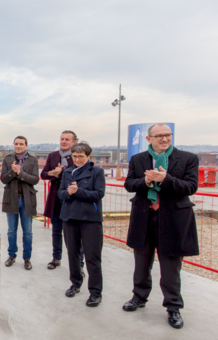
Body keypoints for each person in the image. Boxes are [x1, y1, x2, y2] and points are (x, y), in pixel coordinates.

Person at [122, 123, 199, 329]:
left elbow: (191, 187)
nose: (164, 139)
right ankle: (139, 297)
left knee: (171, 267)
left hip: (173, 220)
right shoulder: (138, 160)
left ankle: (173, 307)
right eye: (159, 136)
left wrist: (167, 179)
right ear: (149, 139)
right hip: (143, 218)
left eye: (168, 135)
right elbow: (129, 184)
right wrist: (145, 182)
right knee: (141, 263)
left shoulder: (188, 159)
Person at [57, 142, 105, 307]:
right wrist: (68, 193)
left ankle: (95, 292)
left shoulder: (96, 172)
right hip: (70, 218)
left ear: (88, 156)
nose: (77, 159)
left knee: (92, 257)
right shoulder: (67, 172)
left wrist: (79, 192)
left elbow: (99, 194)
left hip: (90, 220)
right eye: (75, 156)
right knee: (72, 255)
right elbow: (60, 193)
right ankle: (76, 283)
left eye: (81, 156)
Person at [1, 136, 39, 270]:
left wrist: (20, 173)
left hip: (27, 200)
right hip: (11, 199)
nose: (18, 146)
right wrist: (13, 171)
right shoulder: (7, 159)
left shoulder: (33, 160)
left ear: (26, 146)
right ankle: (11, 255)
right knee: (11, 230)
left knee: (27, 232)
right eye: (16, 144)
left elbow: (35, 180)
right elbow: (4, 179)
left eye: (21, 144)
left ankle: (27, 258)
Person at [41, 130, 77, 270]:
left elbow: (78, 173)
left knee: (74, 233)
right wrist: (52, 174)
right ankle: (56, 258)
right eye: (62, 138)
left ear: (74, 142)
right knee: (56, 229)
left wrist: (61, 172)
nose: (64, 141)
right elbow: (44, 174)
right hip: (56, 199)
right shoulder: (53, 155)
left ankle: (78, 263)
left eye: (67, 139)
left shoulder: (77, 156)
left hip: (72, 199)